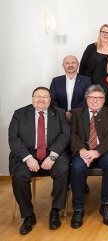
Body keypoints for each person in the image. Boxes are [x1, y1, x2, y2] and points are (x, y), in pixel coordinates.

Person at [9, 87, 70, 234]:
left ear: (50, 100)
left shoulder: (60, 113)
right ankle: (28, 216)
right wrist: (28, 158)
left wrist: (53, 156)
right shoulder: (20, 113)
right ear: (32, 98)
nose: (41, 100)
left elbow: (65, 135)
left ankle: (55, 211)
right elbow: (13, 138)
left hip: (52, 153)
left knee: (64, 169)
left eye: (45, 97)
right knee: (19, 176)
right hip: (27, 155)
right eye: (38, 96)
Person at [69, 85, 108, 228]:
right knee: (77, 167)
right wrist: (82, 150)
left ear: (104, 100)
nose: (95, 101)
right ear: (86, 99)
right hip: (83, 152)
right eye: (91, 97)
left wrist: (97, 151)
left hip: (103, 151)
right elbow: (72, 135)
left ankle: (106, 205)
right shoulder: (77, 113)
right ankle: (78, 209)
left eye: (98, 98)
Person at [50, 55, 92, 122]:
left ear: (78, 64)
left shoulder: (86, 80)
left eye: (73, 62)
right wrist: (63, 113)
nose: (70, 65)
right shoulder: (56, 81)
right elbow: (52, 99)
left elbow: (87, 98)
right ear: (63, 65)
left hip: (80, 117)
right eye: (67, 63)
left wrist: (71, 112)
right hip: (59, 117)